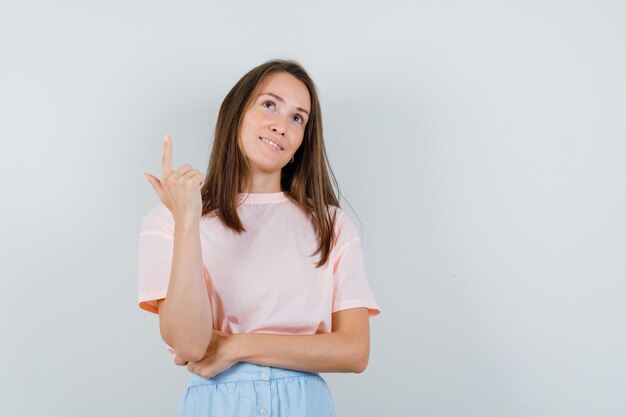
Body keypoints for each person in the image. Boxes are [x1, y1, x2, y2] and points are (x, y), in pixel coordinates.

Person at [138, 59, 381, 417]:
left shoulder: (331, 224)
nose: (281, 126)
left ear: (303, 139)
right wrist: (188, 218)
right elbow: (189, 344)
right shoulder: (169, 220)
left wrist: (236, 346)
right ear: (237, 112)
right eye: (270, 105)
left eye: (298, 118)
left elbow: (355, 351)